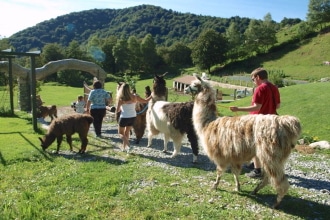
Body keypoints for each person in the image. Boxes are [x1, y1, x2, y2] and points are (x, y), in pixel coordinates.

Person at [230, 67, 280, 179]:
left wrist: (237, 109)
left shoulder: (260, 88)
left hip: (259, 121)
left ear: (258, 77)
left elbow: (257, 107)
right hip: (272, 120)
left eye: (253, 79)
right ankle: (258, 164)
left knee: (255, 144)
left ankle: (258, 170)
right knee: (265, 144)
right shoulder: (274, 88)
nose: (253, 82)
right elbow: (278, 105)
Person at [115, 83, 152, 152]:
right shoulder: (135, 97)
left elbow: (117, 110)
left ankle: (129, 146)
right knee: (127, 132)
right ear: (129, 89)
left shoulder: (121, 99)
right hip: (132, 117)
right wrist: (152, 95)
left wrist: (121, 108)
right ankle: (124, 148)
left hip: (124, 117)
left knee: (120, 133)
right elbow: (146, 100)